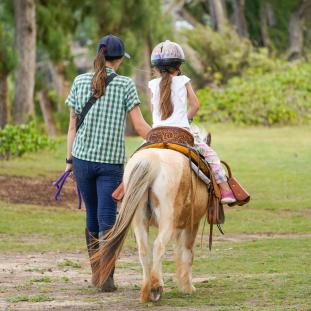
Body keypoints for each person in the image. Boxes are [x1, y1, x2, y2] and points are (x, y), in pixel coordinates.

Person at [65, 34, 151, 291]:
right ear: (120, 59)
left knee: (92, 217)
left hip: (81, 160)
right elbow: (139, 126)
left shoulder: (79, 81)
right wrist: (163, 137)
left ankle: (96, 275)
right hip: (111, 163)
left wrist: (69, 161)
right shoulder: (125, 85)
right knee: (108, 220)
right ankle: (107, 277)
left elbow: (71, 127)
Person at [148, 40, 236, 204]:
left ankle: (123, 190)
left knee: (137, 157)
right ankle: (225, 189)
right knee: (211, 156)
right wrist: (185, 119)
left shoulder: (152, 85)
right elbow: (196, 105)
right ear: (178, 66)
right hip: (181, 133)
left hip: (156, 135)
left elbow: (154, 112)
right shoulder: (183, 81)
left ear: (156, 67)